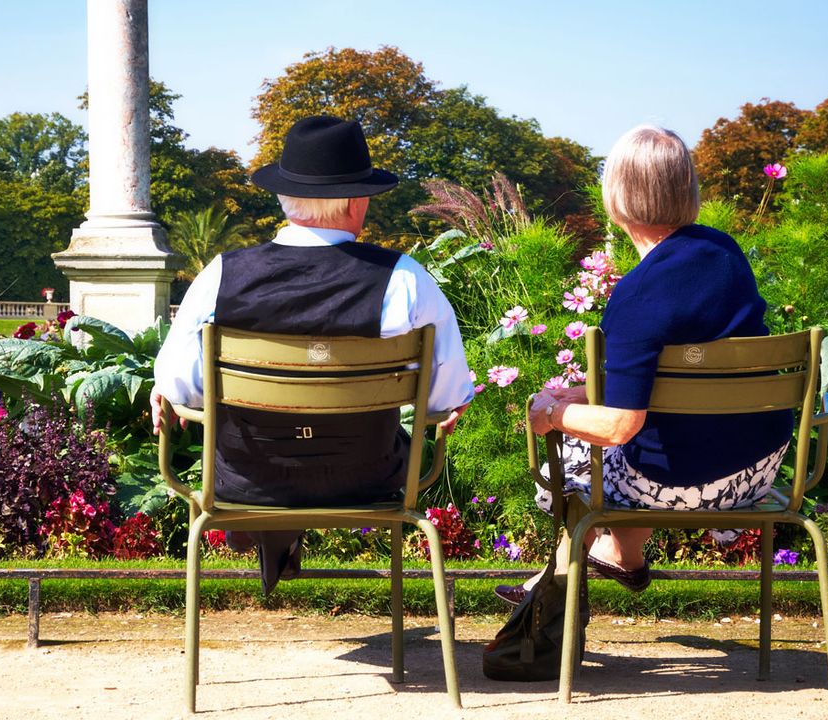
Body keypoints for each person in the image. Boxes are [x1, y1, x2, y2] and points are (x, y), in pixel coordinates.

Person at [151, 116, 474, 594]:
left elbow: (183, 392)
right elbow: (445, 399)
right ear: (358, 202)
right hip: (368, 479)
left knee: (244, 438)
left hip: (248, 480)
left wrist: (166, 391)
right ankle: (281, 539)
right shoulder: (405, 281)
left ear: (284, 198)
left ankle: (269, 531)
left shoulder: (221, 276)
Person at [495, 126, 792, 605]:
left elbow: (619, 426)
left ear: (616, 196)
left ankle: (554, 582)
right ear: (686, 188)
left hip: (689, 482)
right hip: (759, 464)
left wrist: (550, 413)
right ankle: (619, 556)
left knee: (571, 451)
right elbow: (678, 376)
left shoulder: (637, 292)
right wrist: (585, 393)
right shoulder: (724, 253)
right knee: (642, 441)